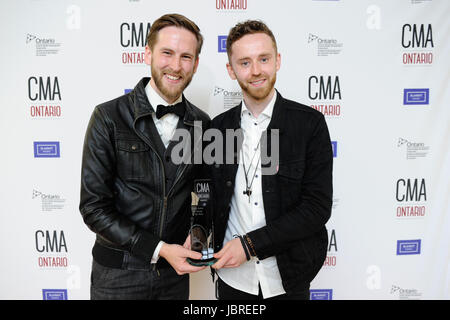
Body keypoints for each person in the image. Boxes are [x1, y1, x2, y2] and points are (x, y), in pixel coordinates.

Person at [79, 13, 210, 300]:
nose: (176, 66)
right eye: (167, 53)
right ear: (148, 53)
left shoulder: (203, 124)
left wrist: (199, 237)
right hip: (117, 275)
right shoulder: (108, 117)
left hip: (173, 278)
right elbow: (93, 207)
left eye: (186, 57)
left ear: (196, 64)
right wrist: (159, 249)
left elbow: (204, 194)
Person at [209, 20, 333, 300]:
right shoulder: (218, 129)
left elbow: (316, 207)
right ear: (231, 70)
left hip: (288, 279)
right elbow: (210, 198)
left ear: (277, 61)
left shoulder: (309, 125)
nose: (255, 71)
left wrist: (250, 245)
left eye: (263, 59)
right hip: (233, 279)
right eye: (244, 62)